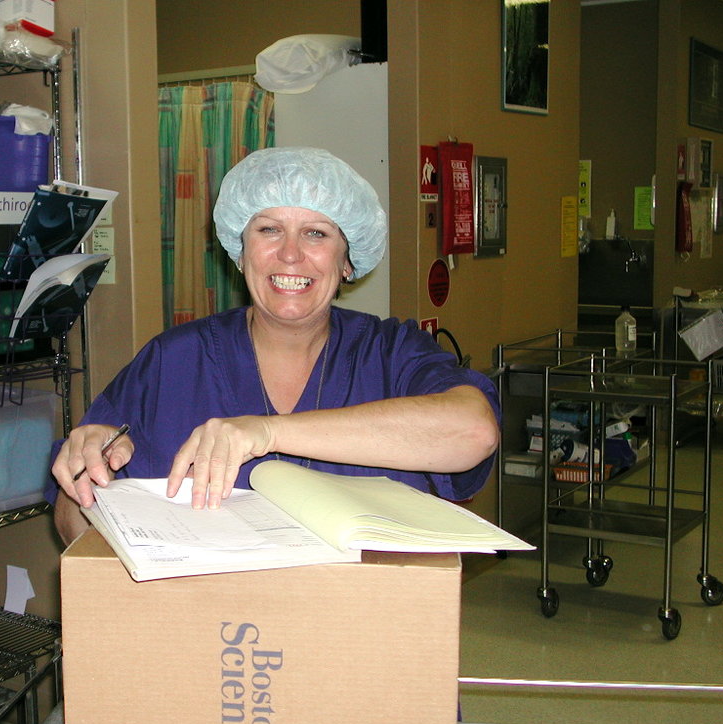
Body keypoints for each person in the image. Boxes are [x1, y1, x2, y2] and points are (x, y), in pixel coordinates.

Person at [49, 146, 500, 545]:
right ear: (240, 250)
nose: (289, 254)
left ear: (347, 262)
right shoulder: (174, 360)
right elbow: (75, 525)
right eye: (268, 230)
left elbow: (474, 432)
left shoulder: (391, 354)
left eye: (316, 233)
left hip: (361, 625)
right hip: (209, 626)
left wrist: (264, 432)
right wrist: (85, 482)